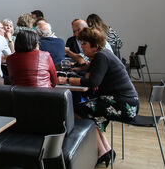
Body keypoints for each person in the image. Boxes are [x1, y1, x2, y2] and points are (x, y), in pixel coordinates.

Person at [58, 27, 138, 165]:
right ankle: (105, 150)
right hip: (125, 102)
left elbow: (93, 81)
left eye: (84, 43)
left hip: (123, 104)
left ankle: (102, 151)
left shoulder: (101, 56)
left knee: (77, 111)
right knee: (88, 112)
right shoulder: (102, 55)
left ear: (95, 45)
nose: (81, 47)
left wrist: (66, 80)